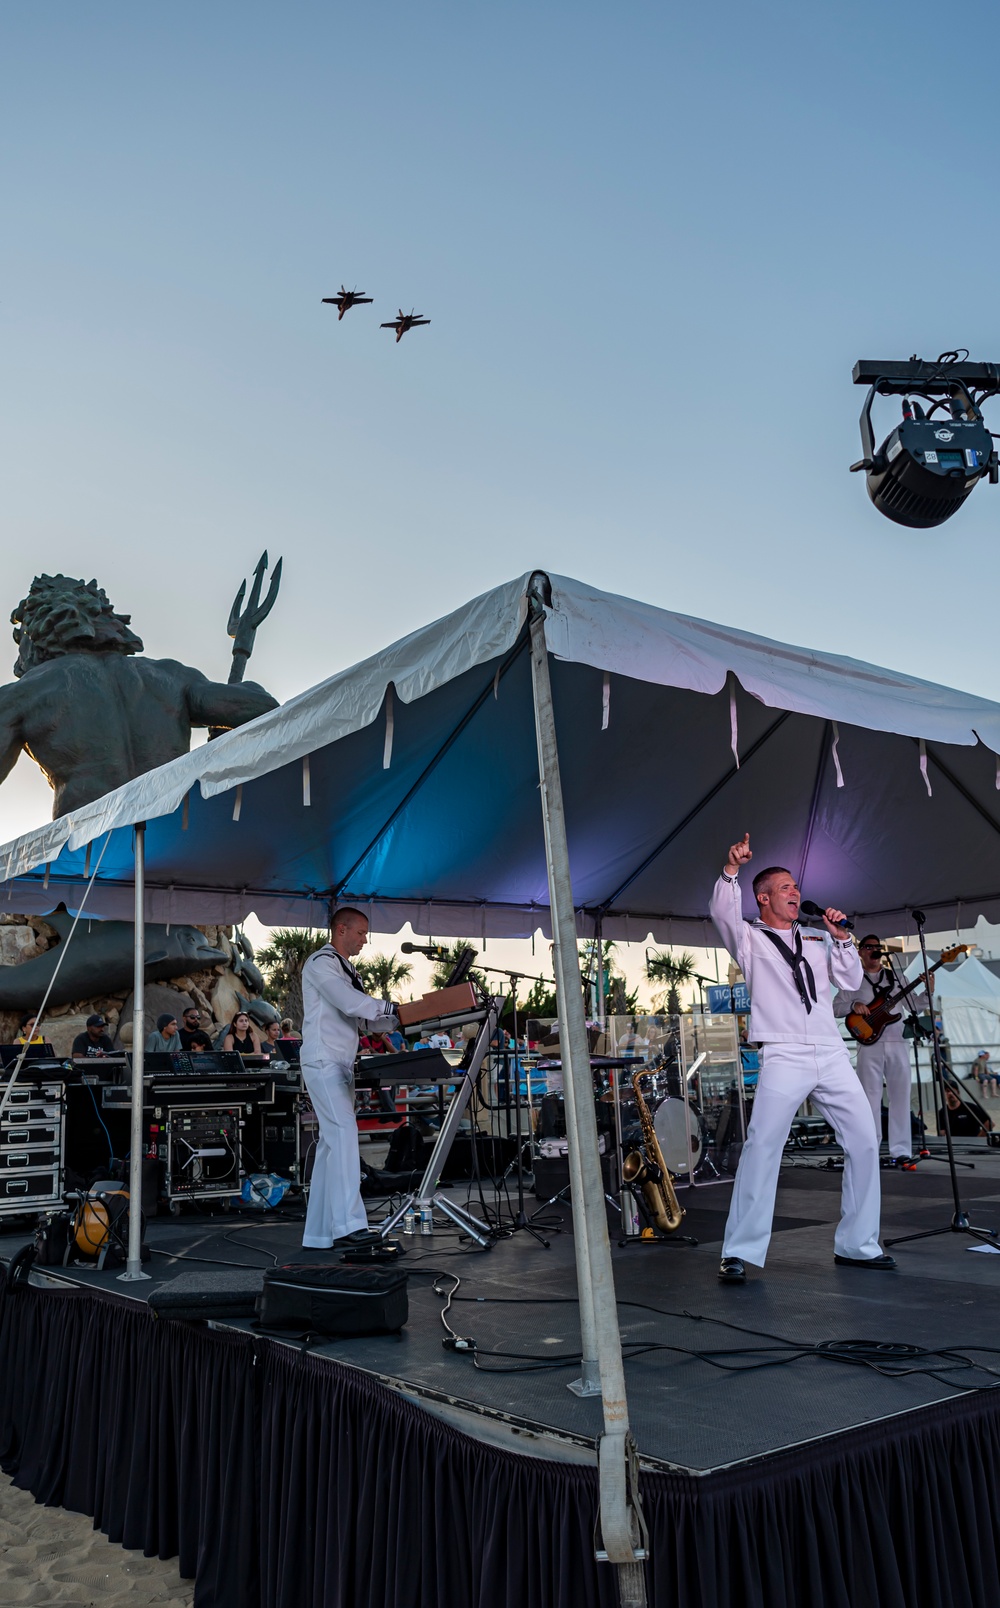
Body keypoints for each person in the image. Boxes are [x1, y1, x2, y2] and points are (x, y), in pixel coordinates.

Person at [711, 833, 892, 1283]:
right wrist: (731, 871)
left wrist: (843, 938)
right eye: (786, 887)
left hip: (830, 1050)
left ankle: (858, 1244)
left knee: (866, 1141)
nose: (795, 892)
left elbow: (849, 982)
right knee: (762, 1146)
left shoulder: (816, 936)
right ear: (764, 898)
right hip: (784, 1052)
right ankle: (738, 1250)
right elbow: (722, 913)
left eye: (796, 887)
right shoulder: (749, 939)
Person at [299, 906, 398, 1249]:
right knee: (343, 1135)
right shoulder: (321, 963)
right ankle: (348, 1227)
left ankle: (319, 1233)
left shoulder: (345, 968)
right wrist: (390, 1009)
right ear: (341, 929)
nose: (364, 940)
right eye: (361, 933)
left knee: (331, 1145)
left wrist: (400, 1018)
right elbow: (349, 1002)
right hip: (324, 1058)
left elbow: (362, 1018)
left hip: (338, 1061)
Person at [834, 936, 929, 1167]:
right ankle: (870, 1148)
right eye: (869, 947)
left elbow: (914, 1006)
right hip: (869, 1045)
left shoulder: (896, 977)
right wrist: (853, 1005)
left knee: (900, 1096)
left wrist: (928, 991)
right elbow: (836, 1007)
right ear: (860, 952)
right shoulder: (852, 979)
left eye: (877, 947)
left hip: (897, 1042)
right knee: (869, 1098)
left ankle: (901, 1149)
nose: (874, 951)